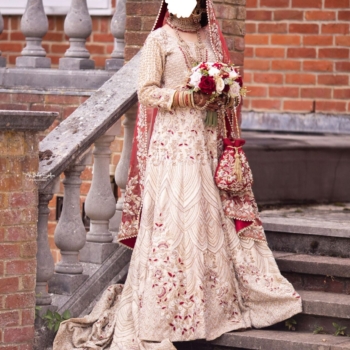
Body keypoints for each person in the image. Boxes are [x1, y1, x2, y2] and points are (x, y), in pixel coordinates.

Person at [53, 0, 302, 349]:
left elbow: (228, 87)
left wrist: (221, 93)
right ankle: (166, 315)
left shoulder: (208, 38)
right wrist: (186, 97)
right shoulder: (159, 40)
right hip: (171, 144)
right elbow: (147, 92)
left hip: (204, 140)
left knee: (204, 216)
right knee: (173, 219)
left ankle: (210, 311)